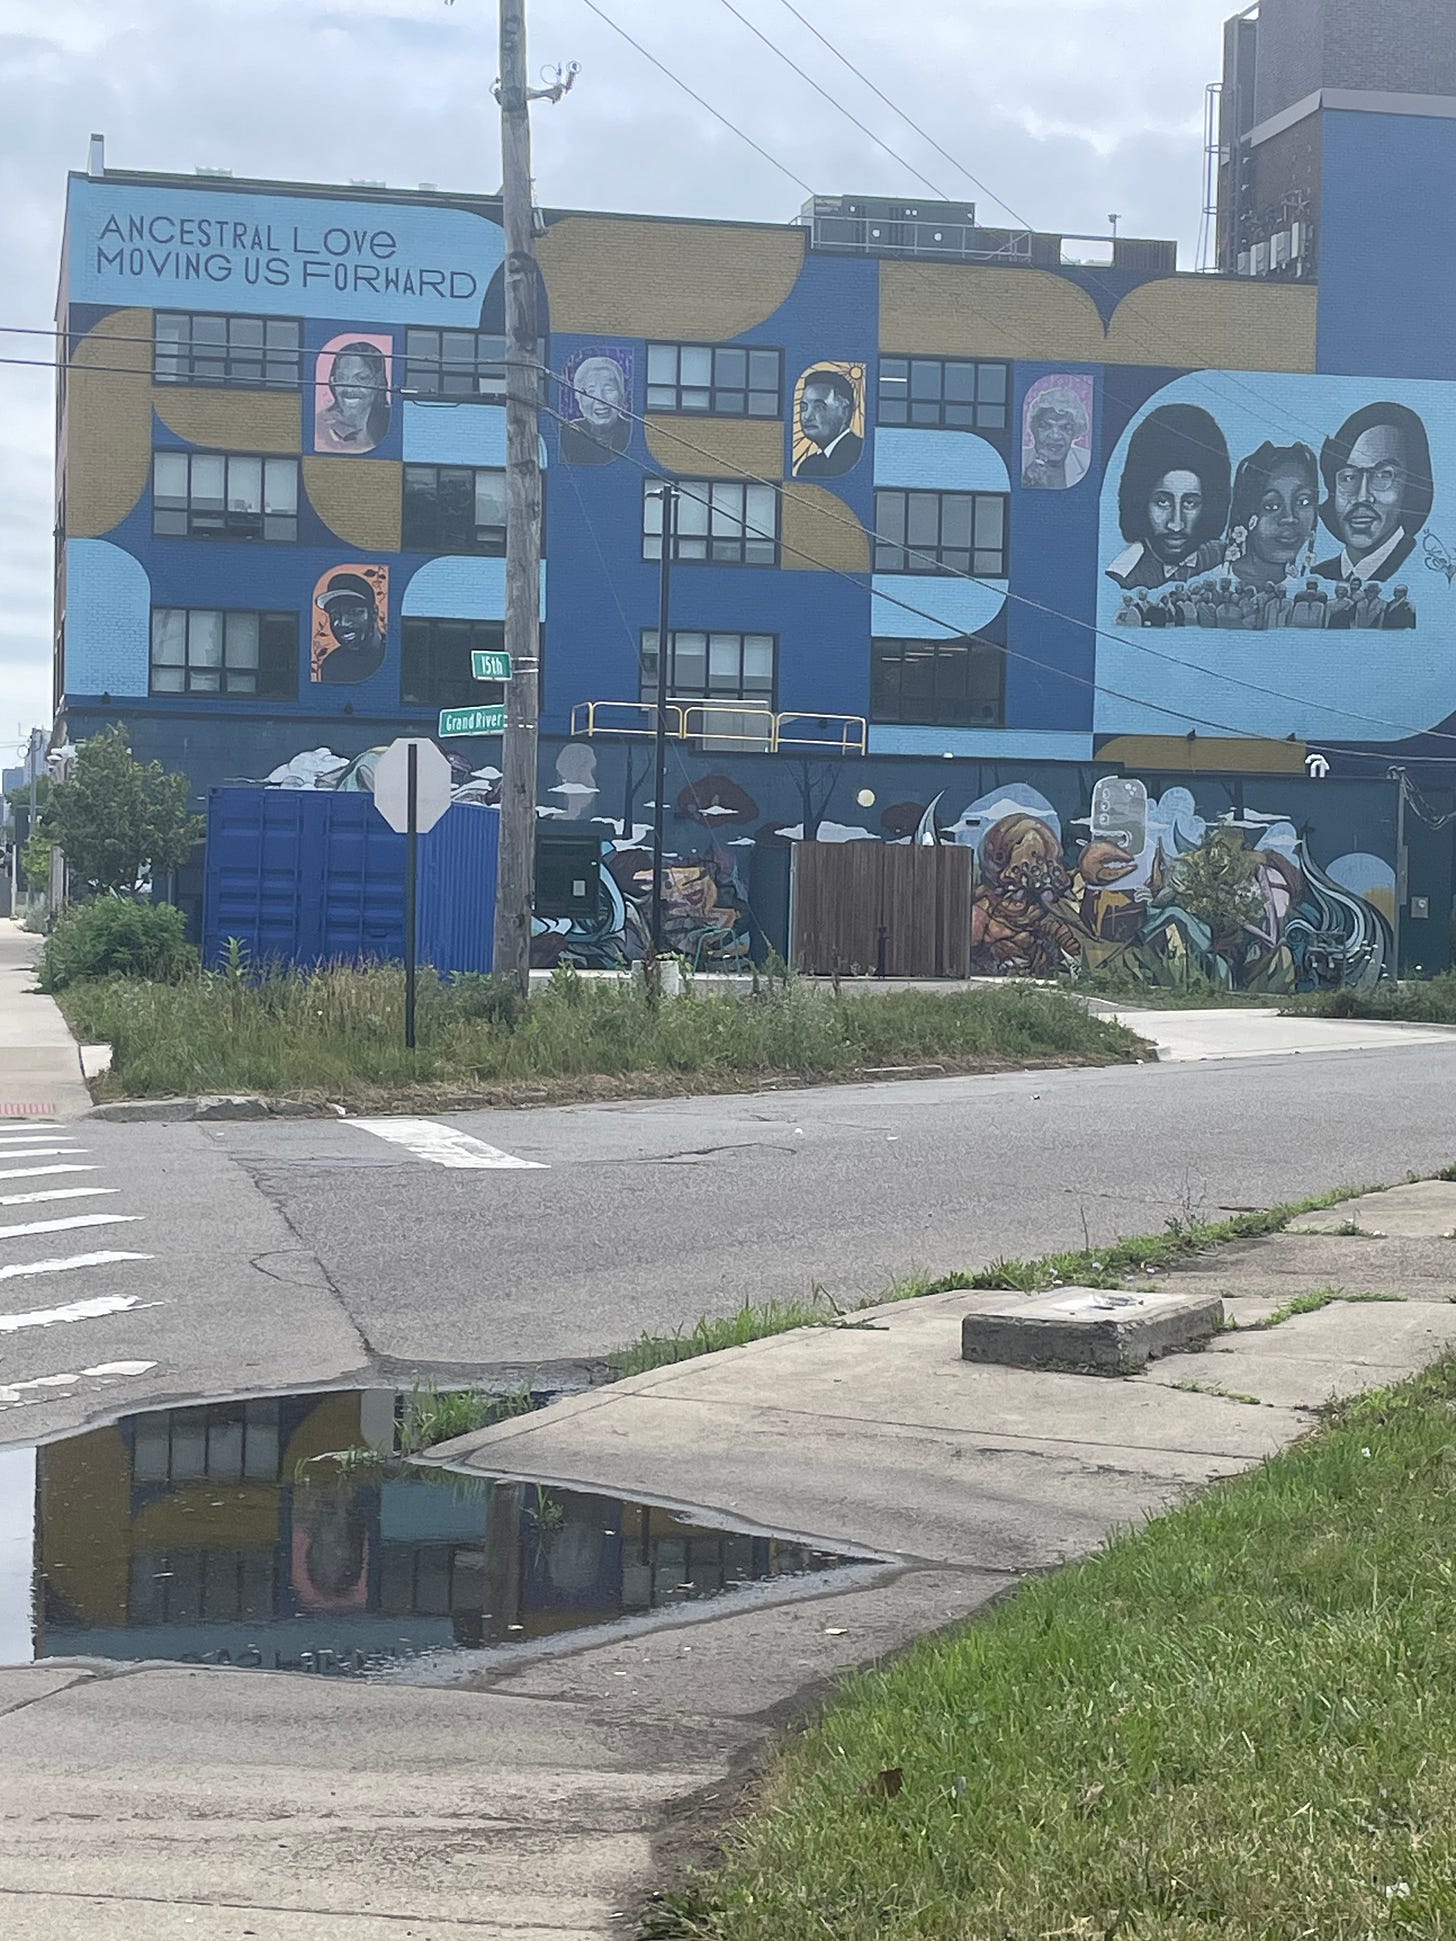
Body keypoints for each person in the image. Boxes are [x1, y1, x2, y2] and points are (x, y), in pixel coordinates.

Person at [1106, 403, 1230, 589]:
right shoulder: (1125, 575)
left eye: (1190, 503)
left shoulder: (1225, 561)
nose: (1176, 524)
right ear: (1140, 501)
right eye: (1162, 502)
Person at [1315, 403, 1433, 583]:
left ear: (1411, 486)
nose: (1362, 496)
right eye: (1348, 477)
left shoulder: (1426, 578)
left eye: (1383, 475)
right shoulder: (1317, 575)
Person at [1227, 441, 1320, 588]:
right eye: (1272, 506)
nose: (1290, 518)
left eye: (1303, 502)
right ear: (1246, 513)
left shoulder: (1314, 589)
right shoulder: (1205, 584)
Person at [315, 341, 389, 455]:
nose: (349, 388)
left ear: (379, 382)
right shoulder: (319, 426)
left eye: (361, 378)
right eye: (341, 377)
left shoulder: (390, 425)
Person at [314, 571, 386, 683]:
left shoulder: (391, 654)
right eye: (335, 615)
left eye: (353, 612)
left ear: (374, 613)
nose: (342, 623)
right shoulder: (333, 664)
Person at [559, 355, 631, 465]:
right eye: (590, 391)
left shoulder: (631, 432)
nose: (600, 399)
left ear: (621, 395)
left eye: (608, 389)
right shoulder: (566, 434)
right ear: (578, 397)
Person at [794, 369, 863, 478]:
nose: (807, 416)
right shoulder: (807, 466)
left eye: (819, 407)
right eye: (803, 407)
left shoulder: (859, 455)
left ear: (844, 410)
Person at [1022, 385, 1090, 489]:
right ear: (1033, 429)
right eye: (1045, 426)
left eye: (1065, 428)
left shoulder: (1088, 461)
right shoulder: (1019, 460)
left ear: (1076, 432)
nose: (1055, 435)